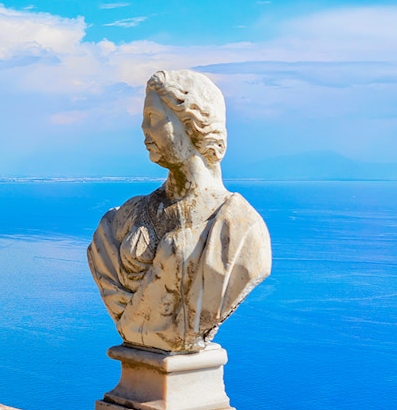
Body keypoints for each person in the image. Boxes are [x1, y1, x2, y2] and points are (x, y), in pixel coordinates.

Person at [87, 70, 271, 353]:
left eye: (153, 118)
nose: (144, 129)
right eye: (143, 119)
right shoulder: (121, 220)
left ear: (194, 125)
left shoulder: (239, 228)